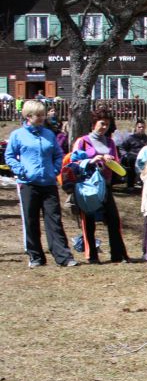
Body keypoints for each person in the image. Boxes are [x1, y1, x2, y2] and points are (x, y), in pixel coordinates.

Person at [5, 99, 76, 268]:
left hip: (49, 183)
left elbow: (58, 154)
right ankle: (35, 257)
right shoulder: (17, 135)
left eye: (43, 114)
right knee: (31, 220)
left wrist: (55, 170)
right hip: (28, 184)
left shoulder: (49, 134)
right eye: (39, 115)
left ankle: (63, 257)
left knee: (54, 220)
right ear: (28, 116)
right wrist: (21, 170)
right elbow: (9, 156)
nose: (42, 118)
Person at [71, 107, 130, 264]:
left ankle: (118, 255)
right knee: (89, 221)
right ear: (94, 123)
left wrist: (110, 161)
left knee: (113, 219)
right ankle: (92, 256)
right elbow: (74, 163)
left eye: (107, 124)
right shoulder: (82, 141)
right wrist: (92, 160)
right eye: (102, 123)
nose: (104, 127)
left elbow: (117, 165)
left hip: (106, 186)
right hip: (88, 186)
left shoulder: (110, 142)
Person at [118, 119, 147, 192]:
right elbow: (122, 147)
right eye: (139, 127)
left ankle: (144, 185)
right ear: (136, 127)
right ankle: (130, 185)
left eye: (143, 127)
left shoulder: (146, 138)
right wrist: (125, 155)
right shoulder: (130, 138)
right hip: (132, 157)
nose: (141, 129)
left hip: (143, 158)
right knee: (131, 162)